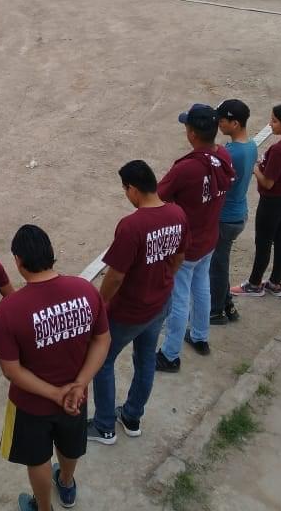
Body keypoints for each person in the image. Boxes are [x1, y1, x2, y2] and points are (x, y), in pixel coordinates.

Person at [0, 224, 110, 511]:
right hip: (75, 397)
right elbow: (102, 339)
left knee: (38, 459)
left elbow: (11, 370)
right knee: (70, 446)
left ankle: (44, 508)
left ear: (18, 261)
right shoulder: (84, 290)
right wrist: (79, 384)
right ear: (50, 254)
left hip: (32, 403)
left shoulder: (10, 309)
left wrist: (55, 393)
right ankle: (67, 485)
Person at [90, 161, 187, 446]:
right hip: (159, 302)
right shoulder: (177, 213)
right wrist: (163, 280)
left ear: (132, 189)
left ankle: (105, 425)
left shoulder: (132, 226)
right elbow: (179, 258)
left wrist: (100, 304)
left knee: (103, 361)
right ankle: (132, 416)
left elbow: (116, 276)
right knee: (145, 360)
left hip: (129, 310)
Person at [155, 104, 236, 372]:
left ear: (191, 133)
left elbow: (157, 196)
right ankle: (200, 336)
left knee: (179, 300)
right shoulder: (222, 155)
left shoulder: (187, 168)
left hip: (185, 244)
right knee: (201, 287)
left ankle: (169, 354)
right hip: (209, 236)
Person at [233, 105, 281, 298]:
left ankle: (254, 284)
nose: (270, 124)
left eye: (274, 121)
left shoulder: (279, 149)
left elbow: (268, 183)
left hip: (274, 202)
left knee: (264, 243)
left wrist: (255, 168)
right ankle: (275, 282)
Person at [210, 100, 258, 325]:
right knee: (220, 263)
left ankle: (217, 310)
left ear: (235, 123)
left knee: (217, 266)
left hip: (225, 218)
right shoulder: (251, 146)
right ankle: (227, 303)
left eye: (222, 121)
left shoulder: (230, 153)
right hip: (237, 213)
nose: (219, 124)